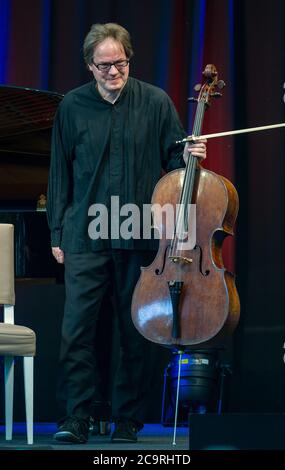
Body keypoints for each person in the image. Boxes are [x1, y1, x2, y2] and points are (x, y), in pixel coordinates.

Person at [47, 22, 206, 444]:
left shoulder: (155, 102)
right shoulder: (72, 107)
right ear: (89, 66)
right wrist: (56, 233)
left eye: (120, 63)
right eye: (104, 65)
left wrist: (191, 155)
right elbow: (59, 172)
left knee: (136, 331)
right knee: (76, 331)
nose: (113, 72)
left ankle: (128, 420)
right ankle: (77, 417)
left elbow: (175, 160)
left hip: (139, 232)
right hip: (85, 233)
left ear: (129, 60)